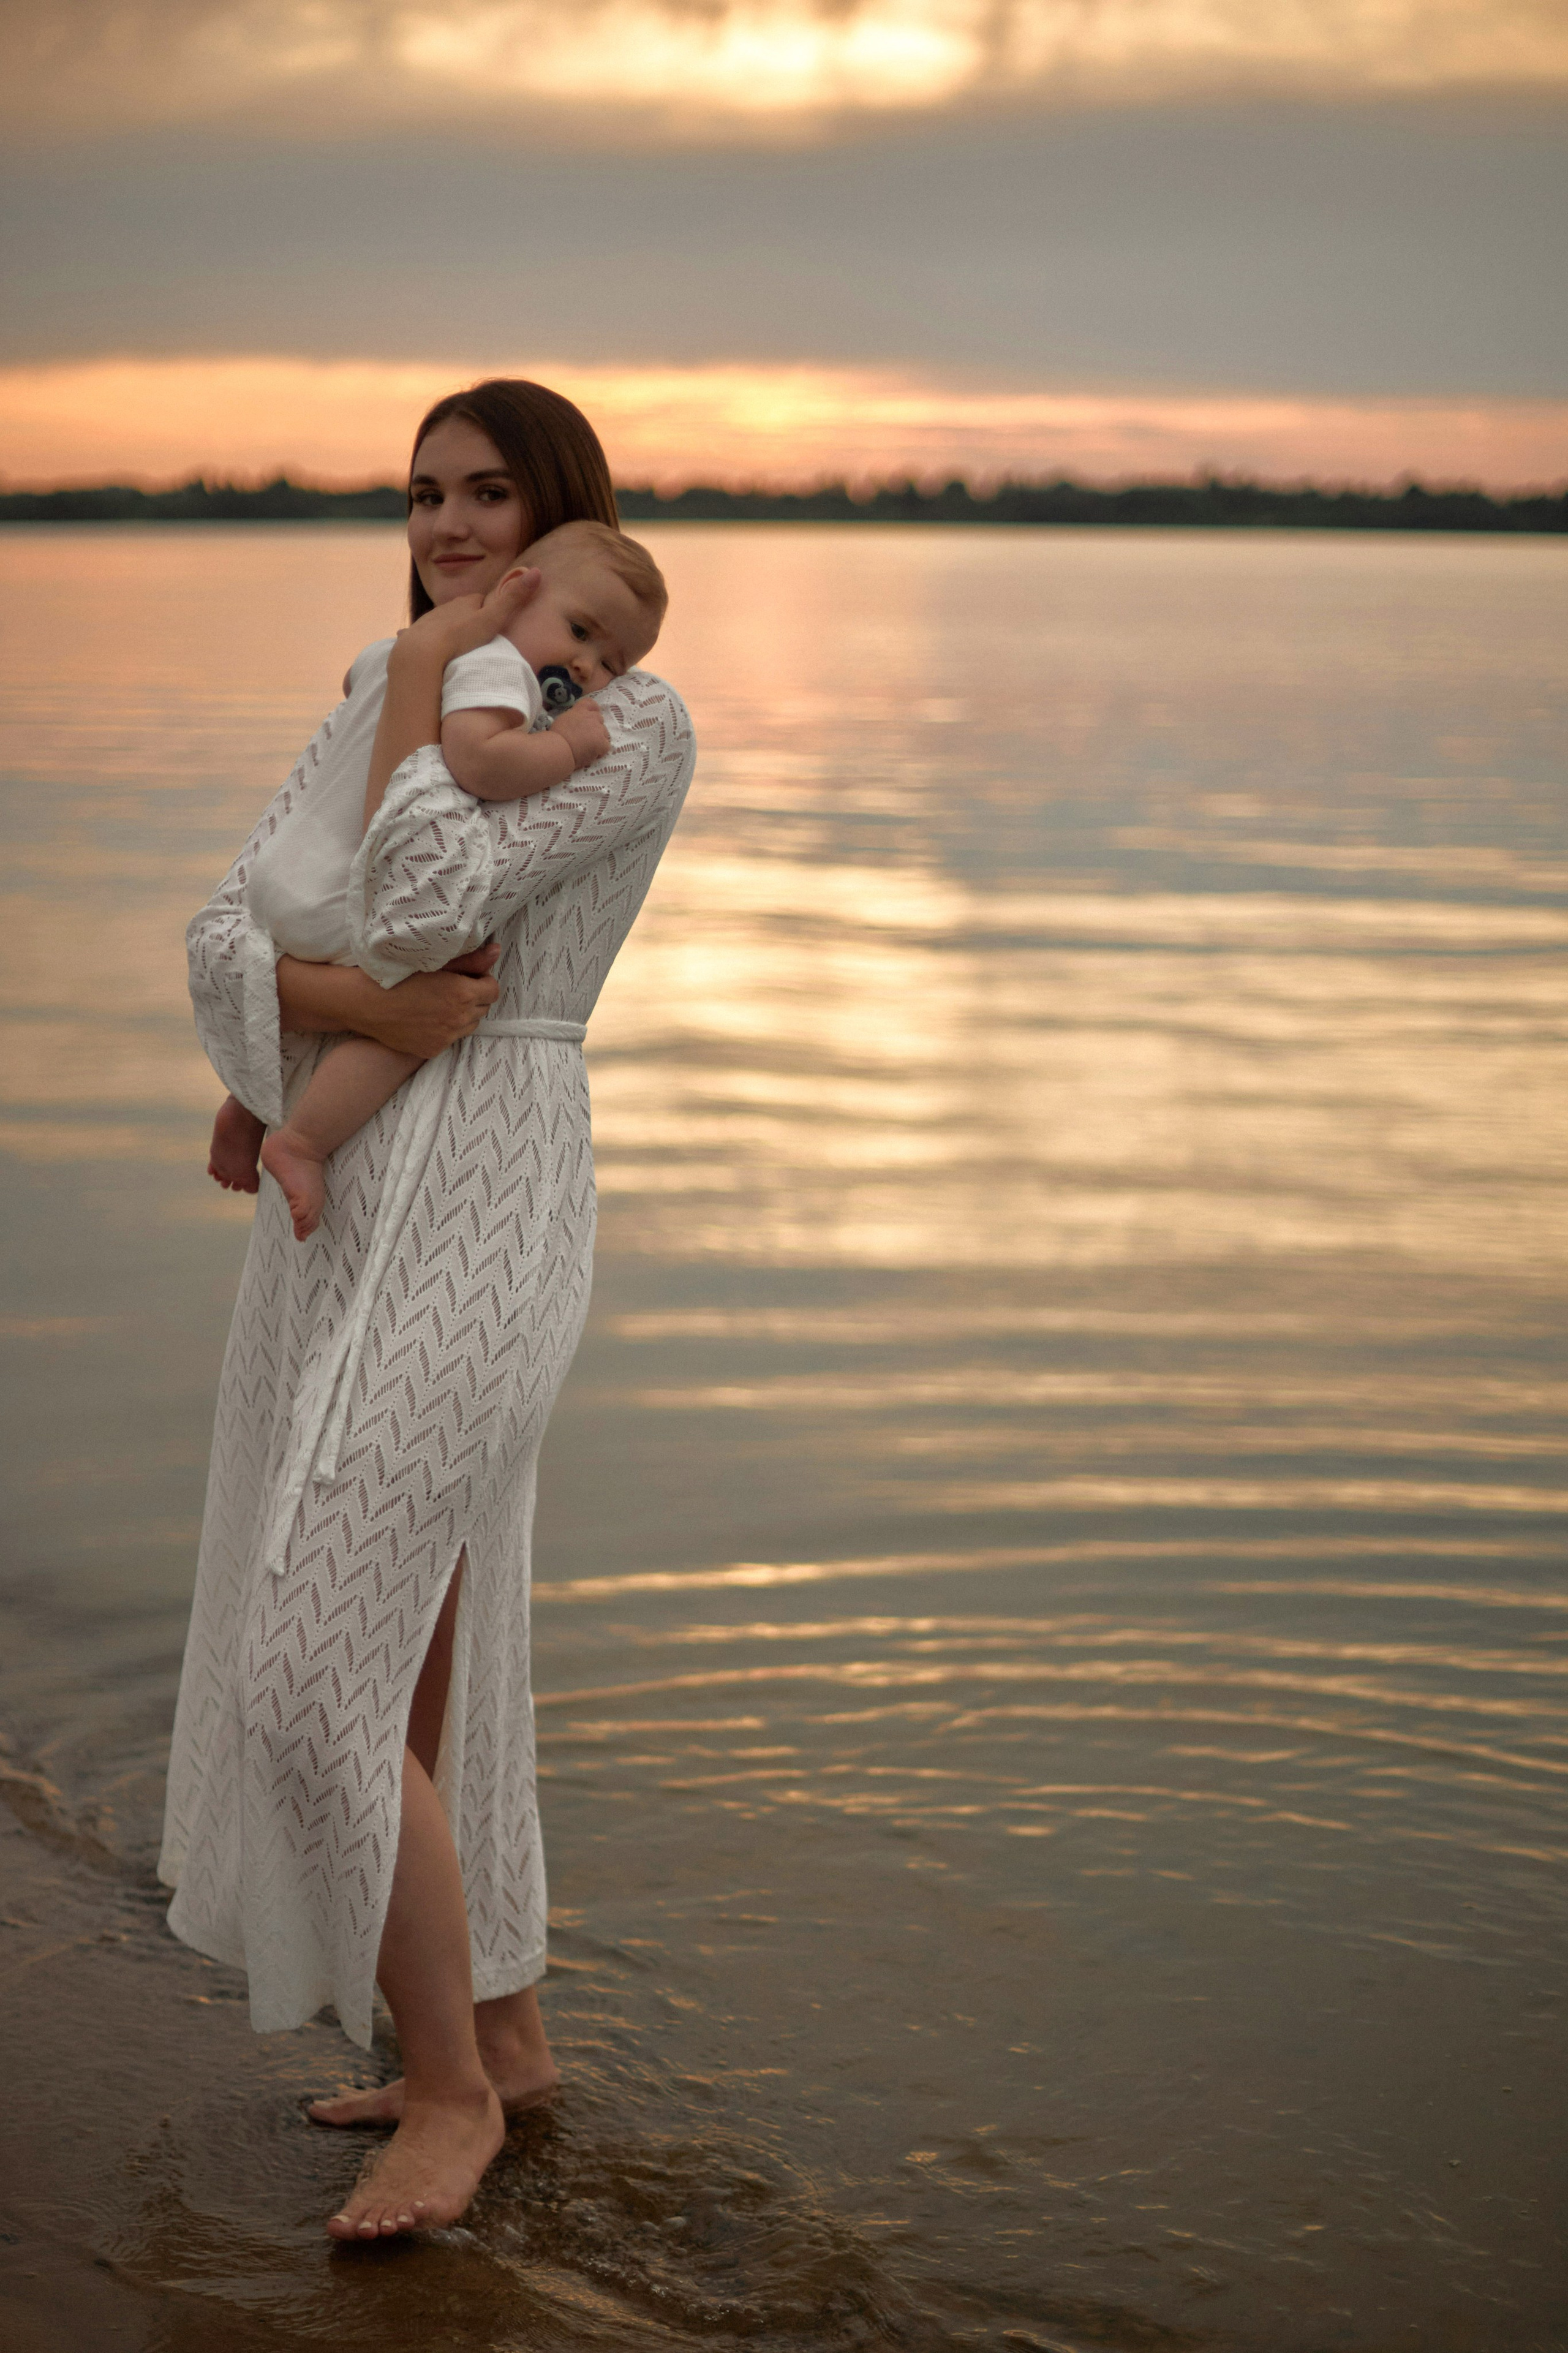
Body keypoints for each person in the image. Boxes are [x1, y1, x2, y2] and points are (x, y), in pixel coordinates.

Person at [158, 379, 696, 2242]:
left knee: (312, 1677)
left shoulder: (624, 717)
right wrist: (358, 1011)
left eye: (490, 494)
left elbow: (434, 874)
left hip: (488, 1202)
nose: (451, 526)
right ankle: (502, 2034)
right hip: (338, 1201)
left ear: (560, 519)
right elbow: (233, 928)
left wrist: (410, 698)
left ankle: (450, 2098)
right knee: (419, 1666)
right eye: (424, 493)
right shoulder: (382, 684)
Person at [205, 520, 668, 1239]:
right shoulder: (496, 668)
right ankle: (302, 1139)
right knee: (423, 1000)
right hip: (347, 898)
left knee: (385, 993)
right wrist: (569, 748)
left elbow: (359, 676)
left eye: (611, 662)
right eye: (580, 632)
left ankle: (249, 1099)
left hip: (289, 886)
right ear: (517, 592)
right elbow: (480, 762)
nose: (585, 668)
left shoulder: (417, 657)